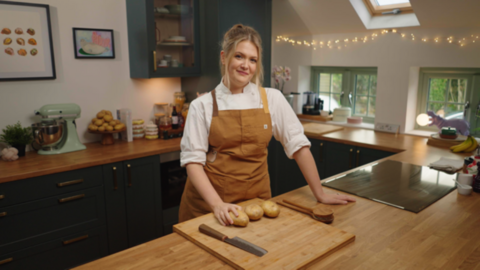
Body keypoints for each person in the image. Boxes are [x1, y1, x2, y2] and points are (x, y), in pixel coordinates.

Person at [179, 24, 355, 226]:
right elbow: (193, 162)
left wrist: (320, 193)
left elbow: (298, 146)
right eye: (239, 56)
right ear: (223, 57)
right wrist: (218, 205)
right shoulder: (202, 106)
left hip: (258, 205)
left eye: (252, 60)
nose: (246, 65)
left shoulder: (272, 98)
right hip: (210, 208)